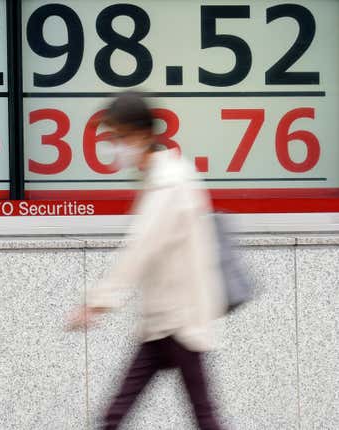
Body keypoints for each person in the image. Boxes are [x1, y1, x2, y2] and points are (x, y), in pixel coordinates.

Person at [67, 92, 226, 430]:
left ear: (140, 135)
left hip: (179, 322)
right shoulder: (163, 177)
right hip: (163, 321)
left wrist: (97, 302)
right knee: (120, 415)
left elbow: (139, 248)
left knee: (199, 417)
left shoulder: (169, 183)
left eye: (118, 137)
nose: (114, 147)